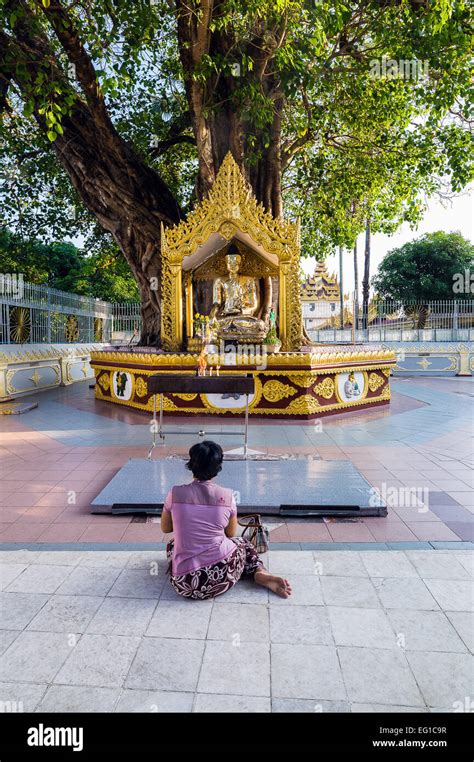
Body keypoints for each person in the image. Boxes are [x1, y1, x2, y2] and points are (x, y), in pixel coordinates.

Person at [161, 441, 292, 600]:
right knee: (243, 544)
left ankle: (254, 572)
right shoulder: (228, 496)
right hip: (222, 576)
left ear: (191, 464)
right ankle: (259, 572)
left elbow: (166, 528)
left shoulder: (174, 494)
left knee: (172, 545)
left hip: (184, 584)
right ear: (218, 468)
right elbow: (230, 533)